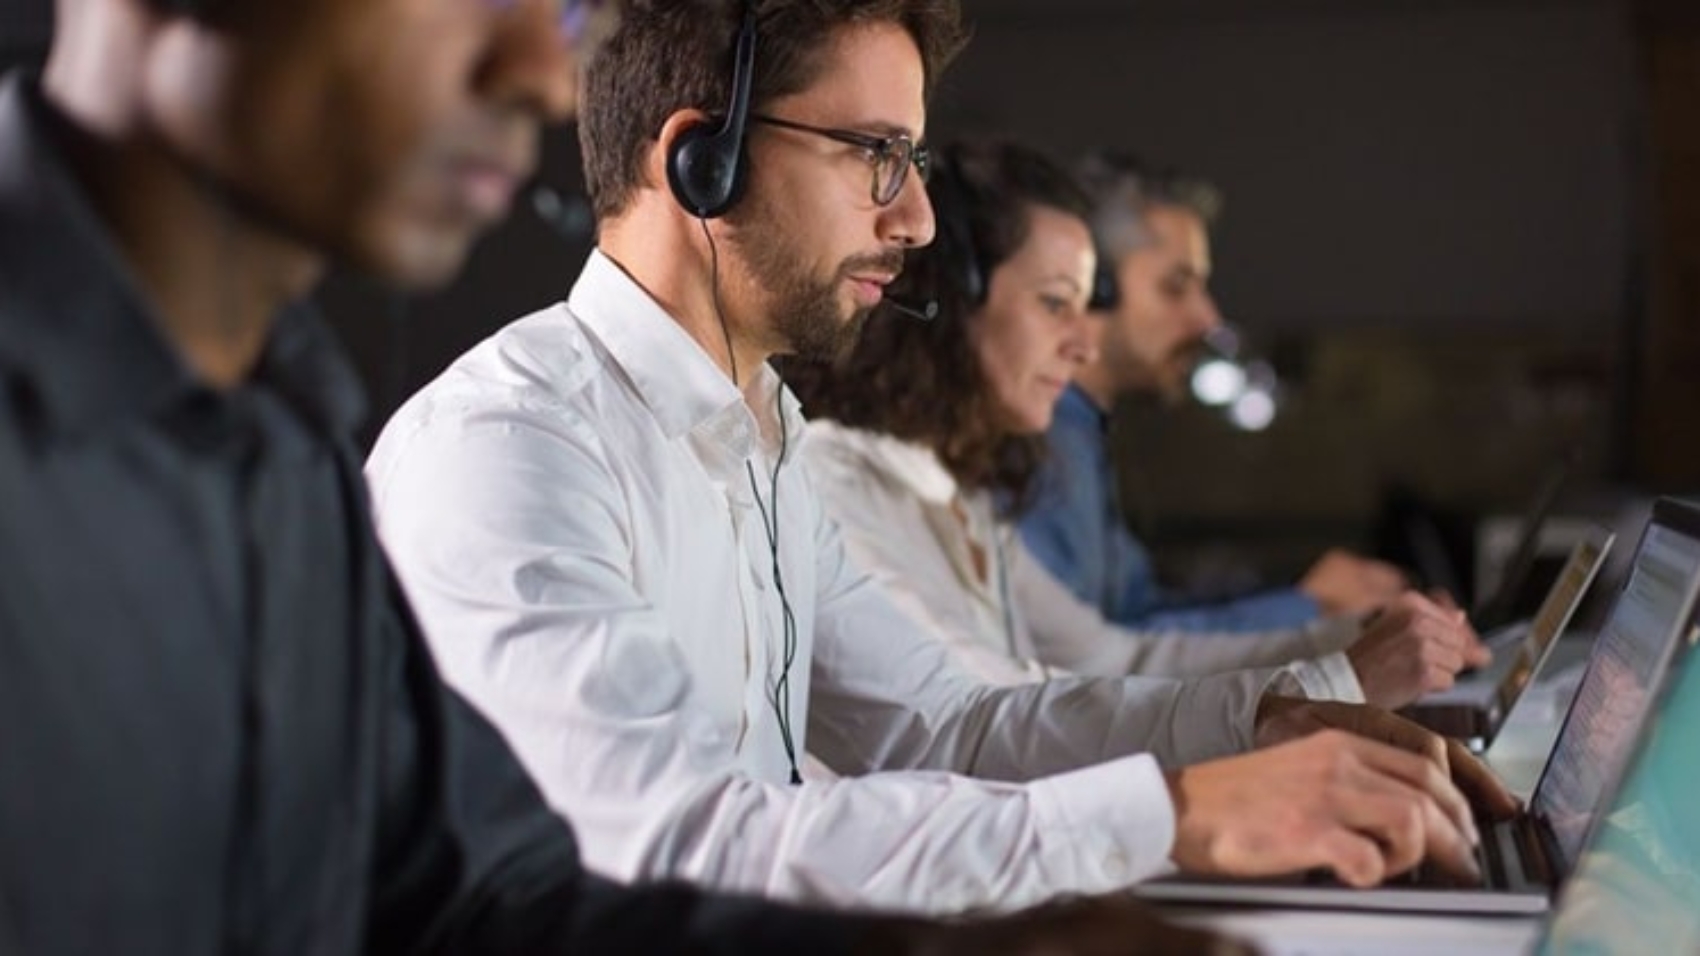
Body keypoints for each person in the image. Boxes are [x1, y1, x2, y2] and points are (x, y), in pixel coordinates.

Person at [0, 0, 1245, 951]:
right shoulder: (493, 446)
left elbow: (480, 897)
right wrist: (1158, 817)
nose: (543, 76)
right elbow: (648, 843)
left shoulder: (278, 447)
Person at [366, 0, 1515, 918]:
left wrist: (1271, 723)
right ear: (697, 162)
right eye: (875, 154)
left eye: (908, 159)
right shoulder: (512, 447)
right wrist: (1173, 815)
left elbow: (946, 724)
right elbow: (671, 843)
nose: (914, 218)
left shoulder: (764, 434)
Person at [785, 139, 1486, 710]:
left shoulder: (957, 493)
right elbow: (982, 719)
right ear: (949, 304)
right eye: (1057, 304)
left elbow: (1113, 659)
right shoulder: (838, 486)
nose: (1084, 344)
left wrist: (1342, 643)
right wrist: (1330, 677)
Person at [1019, 153, 1409, 632]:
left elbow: (1134, 612)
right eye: (1176, 287)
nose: (1208, 319)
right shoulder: (1034, 437)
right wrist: (1306, 608)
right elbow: (1086, 659)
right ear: (1092, 286)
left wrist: (1306, 595)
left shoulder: (1081, 434)